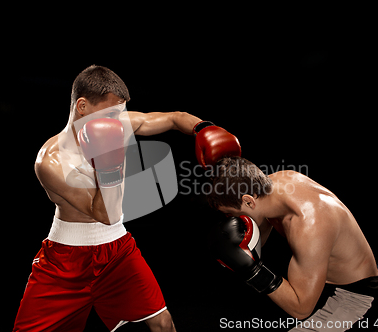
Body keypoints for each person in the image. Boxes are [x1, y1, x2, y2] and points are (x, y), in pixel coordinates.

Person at [13, 65, 239, 332]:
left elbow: (174, 118)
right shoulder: (50, 162)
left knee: (163, 324)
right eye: (110, 114)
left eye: (118, 114)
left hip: (116, 249)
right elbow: (106, 213)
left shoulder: (115, 122)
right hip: (65, 261)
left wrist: (204, 128)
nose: (116, 122)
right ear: (82, 106)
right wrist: (110, 163)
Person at [207, 156, 378, 331]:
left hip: (357, 299)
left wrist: (252, 271)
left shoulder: (310, 225)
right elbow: (259, 224)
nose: (231, 220)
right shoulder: (277, 183)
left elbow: (301, 309)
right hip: (324, 284)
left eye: (231, 214)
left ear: (248, 201)